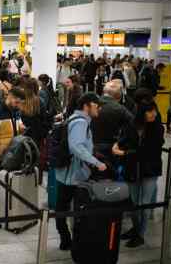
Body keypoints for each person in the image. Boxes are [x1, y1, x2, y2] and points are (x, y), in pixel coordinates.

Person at [55, 93, 107, 251]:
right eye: (96, 105)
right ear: (87, 105)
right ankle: (68, 240)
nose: (99, 108)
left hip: (68, 171)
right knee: (66, 208)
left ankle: (66, 240)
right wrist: (97, 163)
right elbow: (76, 147)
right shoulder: (80, 122)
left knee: (63, 207)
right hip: (72, 174)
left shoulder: (74, 119)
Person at [112, 100, 164, 248]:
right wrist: (118, 144)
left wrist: (123, 152)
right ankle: (136, 228)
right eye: (150, 111)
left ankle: (140, 234)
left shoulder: (158, 128)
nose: (153, 114)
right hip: (133, 169)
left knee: (144, 205)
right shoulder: (131, 125)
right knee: (134, 203)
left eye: (154, 110)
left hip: (150, 170)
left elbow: (149, 151)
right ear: (142, 113)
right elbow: (124, 139)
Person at [91, 81, 134, 161]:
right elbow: (133, 127)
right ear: (119, 96)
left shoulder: (91, 105)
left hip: (90, 149)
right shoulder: (121, 110)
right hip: (110, 151)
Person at [0, 87, 26, 161]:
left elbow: (18, 128)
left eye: (20, 103)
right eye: (17, 102)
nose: (18, 105)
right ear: (10, 97)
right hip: (1, 157)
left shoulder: (15, 111)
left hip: (12, 155)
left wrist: (21, 129)